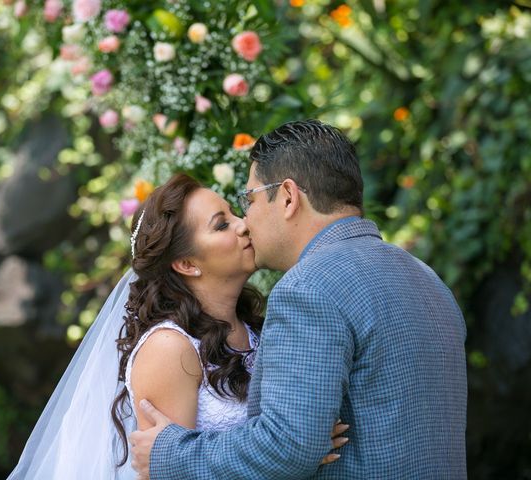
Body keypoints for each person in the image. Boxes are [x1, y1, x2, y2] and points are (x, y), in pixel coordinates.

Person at [130, 119, 468, 479]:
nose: (246, 220)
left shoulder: (309, 288)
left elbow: (286, 446)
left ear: (288, 197)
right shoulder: (428, 280)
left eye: (249, 200)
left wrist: (171, 454)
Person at [7, 173, 347, 479]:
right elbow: (169, 471)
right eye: (221, 225)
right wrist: (295, 454)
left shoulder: (258, 328)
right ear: (186, 264)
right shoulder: (171, 349)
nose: (243, 224)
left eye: (233, 213)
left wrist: (298, 440)